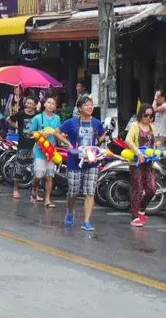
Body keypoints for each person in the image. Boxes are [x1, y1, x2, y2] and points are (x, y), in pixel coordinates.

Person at [60, 96, 106, 231]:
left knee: (90, 192)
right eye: (86, 105)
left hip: (92, 161)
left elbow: (102, 135)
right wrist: (67, 143)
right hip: (74, 160)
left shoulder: (97, 123)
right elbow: (57, 132)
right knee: (73, 191)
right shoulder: (71, 123)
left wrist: (100, 141)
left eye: (91, 105)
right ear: (80, 108)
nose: (90, 107)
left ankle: (86, 221)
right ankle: (70, 211)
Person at [30, 97, 70, 208]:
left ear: (55, 107)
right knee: (39, 174)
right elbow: (30, 133)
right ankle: (34, 188)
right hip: (39, 150)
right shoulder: (38, 118)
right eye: (49, 102)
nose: (51, 105)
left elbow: (58, 133)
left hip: (51, 151)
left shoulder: (57, 118)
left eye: (53, 103)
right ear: (44, 104)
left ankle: (47, 200)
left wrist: (66, 140)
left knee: (49, 176)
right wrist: (40, 132)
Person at [125, 103, 158, 227]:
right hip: (136, 162)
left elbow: (155, 143)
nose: (148, 118)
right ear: (141, 114)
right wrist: (138, 153)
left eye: (151, 115)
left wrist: (156, 154)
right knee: (137, 188)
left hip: (149, 162)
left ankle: (142, 209)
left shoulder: (152, 128)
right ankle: (134, 216)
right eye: (146, 115)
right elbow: (128, 140)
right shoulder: (135, 126)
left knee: (152, 188)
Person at [7, 97, 37, 200]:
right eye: (27, 103)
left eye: (31, 103)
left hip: (34, 145)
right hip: (23, 145)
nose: (28, 105)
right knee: (19, 168)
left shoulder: (38, 115)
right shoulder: (20, 114)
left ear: (35, 105)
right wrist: (17, 128)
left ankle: (34, 192)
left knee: (35, 170)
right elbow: (9, 119)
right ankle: (16, 189)